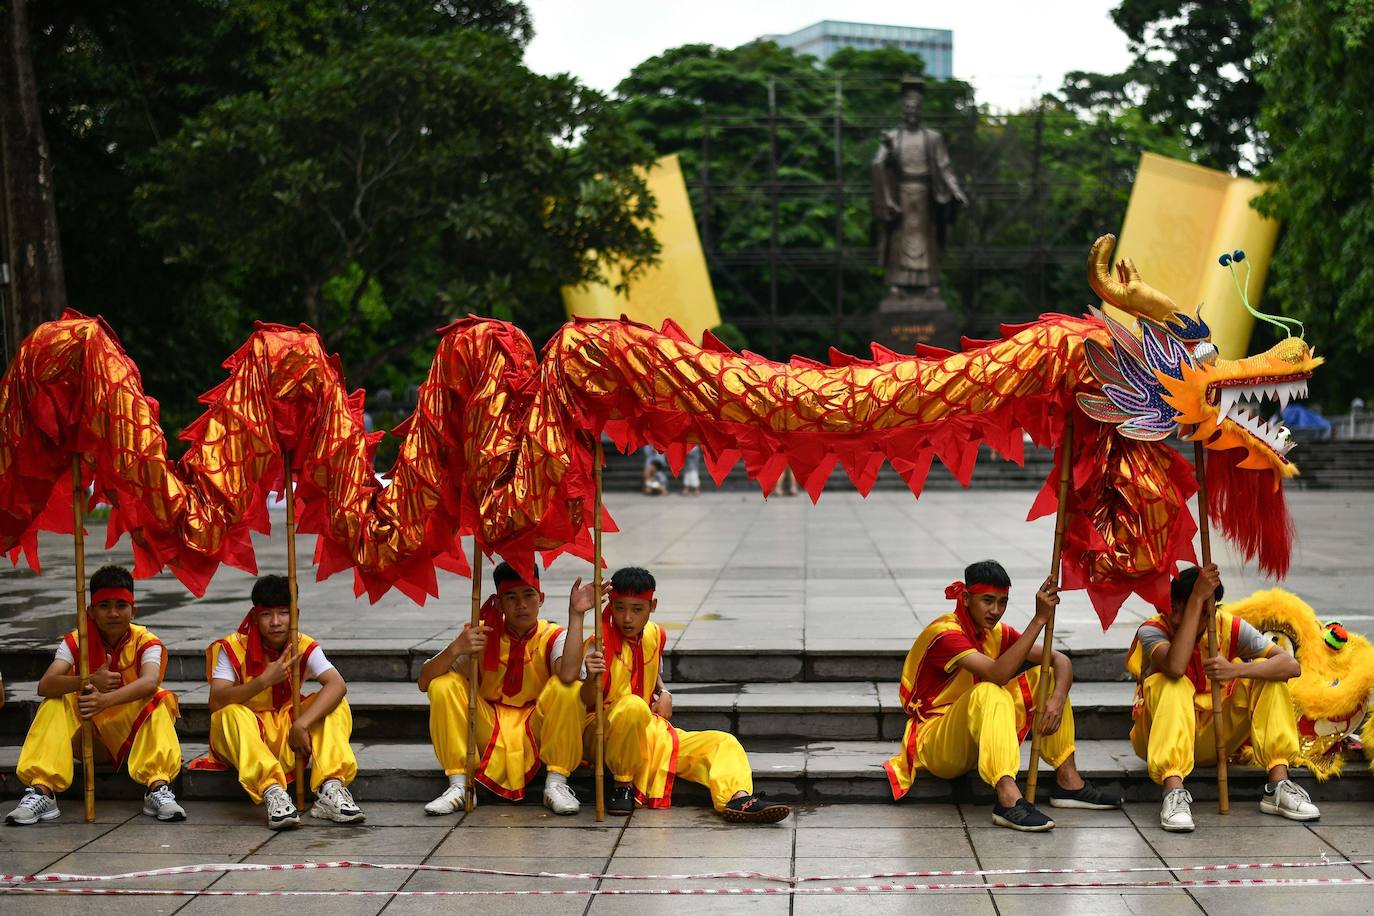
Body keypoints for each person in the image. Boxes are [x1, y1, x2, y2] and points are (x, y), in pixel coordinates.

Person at [883, 560, 1121, 831]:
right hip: (937, 742)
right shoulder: (945, 634)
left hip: (975, 733)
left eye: (1002, 602)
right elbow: (997, 674)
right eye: (987, 601)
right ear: (966, 597)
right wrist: (1039, 619)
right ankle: (1008, 798)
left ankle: (1068, 781)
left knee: (1047, 678)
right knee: (989, 691)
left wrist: (1056, 698)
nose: (995, 611)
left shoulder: (995, 632)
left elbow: (1060, 660)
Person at [583, 567, 790, 823]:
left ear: (652, 606)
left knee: (723, 742)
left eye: (637, 609)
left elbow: (647, 668)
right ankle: (623, 784)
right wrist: (592, 677)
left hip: (650, 731)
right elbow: (585, 701)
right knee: (633, 707)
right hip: (604, 732)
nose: (627, 618)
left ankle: (738, 799)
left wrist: (664, 692)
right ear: (610, 605)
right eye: (620, 608)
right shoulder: (598, 642)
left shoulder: (655, 635)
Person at [1126, 564, 1319, 832]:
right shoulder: (1152, 630)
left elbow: (1290, 666)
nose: (1179, 618)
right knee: (1170, 683)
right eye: (1175, 608)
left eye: (1195, 609)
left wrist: (1236, 669)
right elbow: (1176, 666)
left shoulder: (1227, 627)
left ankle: (1278, 785)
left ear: (1213, 609)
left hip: (1217, 735)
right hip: (1160, 738)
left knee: (1270, 678)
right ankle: (1173, 791)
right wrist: (1195, 600)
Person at [5, 565, 185, 825]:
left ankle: (157, 787)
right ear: (90, 610)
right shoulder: (77, 640)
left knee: (158, 697)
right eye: (104, 605)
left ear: (133, 610)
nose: (113, 613)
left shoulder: (146, 640)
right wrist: (87, 681)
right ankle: (42, 790)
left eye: (121, 605)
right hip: (88, 736)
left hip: (132, 739)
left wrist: (105, 700)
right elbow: (45, 685)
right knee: (56, 700)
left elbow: (149, 681)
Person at [419, 562, 591, 815]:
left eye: (528, 595)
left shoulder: (554, 635)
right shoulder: (482, 635)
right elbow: (424, 681)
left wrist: (577, 615)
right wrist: (455, 648)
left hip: (536, 727)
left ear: (541, 598)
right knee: (444, 684)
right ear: (498, 603)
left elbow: (567, 674)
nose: (521, 605)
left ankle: (556, 782)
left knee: (567, 688)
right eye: (511, 597)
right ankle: (459, 784)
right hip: (489, 725)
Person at [199, 575, 363, 829]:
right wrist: (262, 681)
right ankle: (273, 792)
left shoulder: (302, 644)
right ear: (255, 617)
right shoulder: (232, 647)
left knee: (335, 704)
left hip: (289, 733)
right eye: (267, 615)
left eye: (283, 613)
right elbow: (216, 701)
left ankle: (331, 787)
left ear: (294, 614)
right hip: (247, 737)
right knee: (229, 713)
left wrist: (302, 724)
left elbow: (337, 684)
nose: (276, 622)